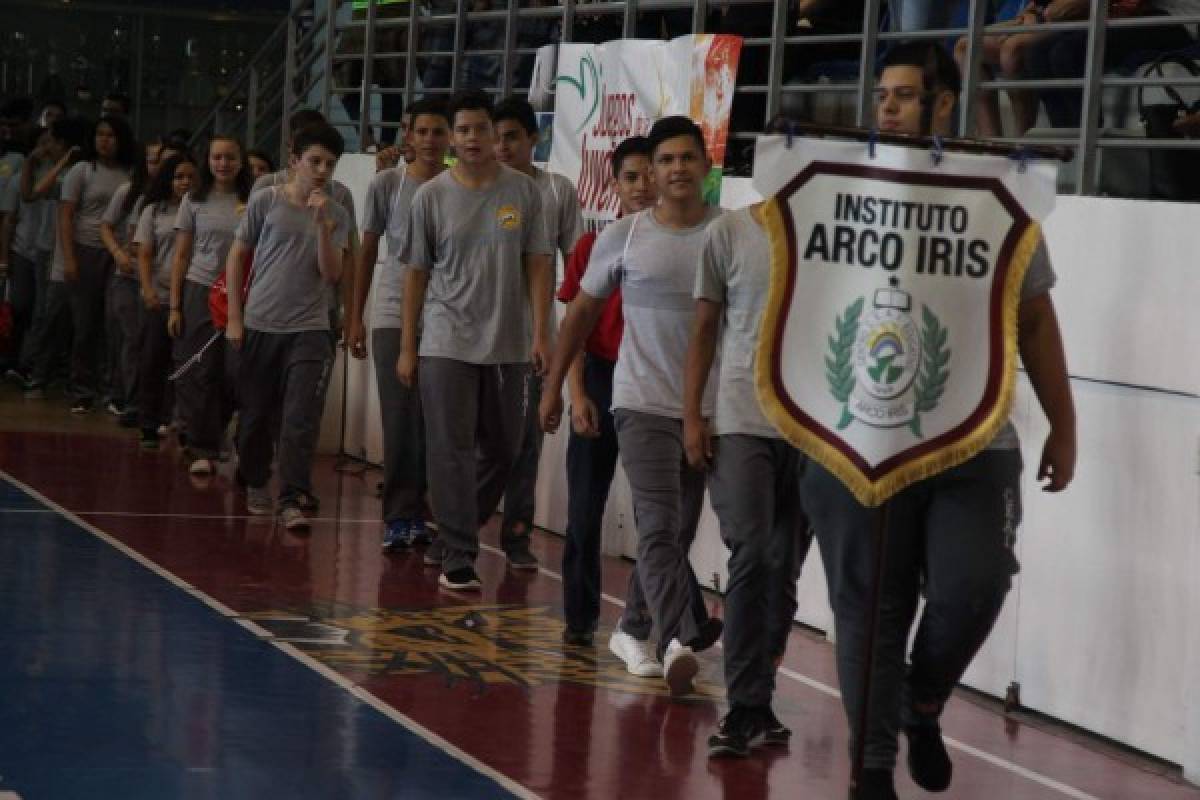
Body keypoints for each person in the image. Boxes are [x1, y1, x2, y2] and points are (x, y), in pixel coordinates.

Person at [812, 41, 1077, 800]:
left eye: (903, 94)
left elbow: (1034, 319)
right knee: (869, 604)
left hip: (976, 434)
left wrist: (1064, 422)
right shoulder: (831, 191)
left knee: (976, 587)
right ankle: (870, 773)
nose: (887, 106)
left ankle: (920, 702)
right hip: (860, 437)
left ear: (945, 104)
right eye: (881, 94)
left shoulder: (998, 198)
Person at [539, 116, 724, 697]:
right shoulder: (623, 237)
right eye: (664, 161)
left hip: (706, 408)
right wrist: (557, 390)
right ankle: (680, 638)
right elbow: (580, 317)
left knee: (679, 530)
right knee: (658, 525)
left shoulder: (729, 234)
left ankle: (634, 627)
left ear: (706, 166)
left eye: (685, 159)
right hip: (637, 399)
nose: (673, 170)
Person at [397, 90, 553, 591]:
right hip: (445, 339)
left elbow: (538, 264)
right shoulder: (431, 197)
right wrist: (407, 345)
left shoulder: (524, 193)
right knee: (450, 449)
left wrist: (542, 332)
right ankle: (459, 553)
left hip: (507, 342)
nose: (471, 139)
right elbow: (416, 275)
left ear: (492, 133)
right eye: (461, 130)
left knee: (506, 449)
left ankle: (453, 528)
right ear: (451, 137)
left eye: (479, 129)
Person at [683, 189, 815, 756]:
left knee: (784, 563)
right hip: (741, 419)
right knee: (754, 551)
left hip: (813, 429)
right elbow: (705, 328)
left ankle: (758, 694)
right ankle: (743, 706)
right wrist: (693, 415)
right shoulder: (729, 233)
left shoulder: (842, 237)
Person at [556, 136, 660, 673]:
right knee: (584, 509)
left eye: (650, 174)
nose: (643, 187)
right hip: (598, 377)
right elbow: (573, 326)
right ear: (614, 185)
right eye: (632, 177)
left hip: (653, 384)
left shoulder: (677, 245)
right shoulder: (590, 247)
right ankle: (578, 620)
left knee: (659, 515)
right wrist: (576, 394)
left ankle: (648, 625)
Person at [226, 123, 352, 529]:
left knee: (299, 417)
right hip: (261, 321)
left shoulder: (337, 213)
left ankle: (292, 497)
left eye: (329, 164)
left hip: (311, 327)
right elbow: (237, 256)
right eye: (314, 161)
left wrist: (322, 227)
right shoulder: (265, 201)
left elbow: (332, 274)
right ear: (295, 160)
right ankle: (255, 477)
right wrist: (234, 317)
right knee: (257, 415)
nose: (321, 170)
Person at [346, 98, 450, 551]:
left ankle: (425, 512)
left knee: (435, 422)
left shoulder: (457, 186)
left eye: (438, 131)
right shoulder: (387, 185)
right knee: (399, 417)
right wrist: (355, 316)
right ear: (408, 135)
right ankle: (398, 516)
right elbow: (367, 251)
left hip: (445, 318)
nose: (429, 140)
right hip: (391, 313)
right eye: (421, 131)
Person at [490, 96, 584, 569]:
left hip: (537, 340)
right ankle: (458, 527)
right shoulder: (479, 188)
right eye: (496, 136)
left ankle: (517, 536)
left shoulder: (558, 192)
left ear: (534, 138)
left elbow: (577, 272)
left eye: (512, 136)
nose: (502, 146)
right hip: (481, 340)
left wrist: (561, 347)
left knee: (527, 442)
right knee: (478, 441)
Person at [168, 136, 253, 475]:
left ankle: (223, 436)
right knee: (202, 371)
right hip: (201, 290)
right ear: (208, 161)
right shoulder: (193, 199)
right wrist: (175, 306)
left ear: (241, 160)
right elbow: (182, 254)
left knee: (235, 372)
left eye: (230, 157)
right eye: (217, 157)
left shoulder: (255, 199)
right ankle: (201, 447)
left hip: (243, 294)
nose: (223, 164)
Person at [99, 135, 185, 424]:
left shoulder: (188, 202)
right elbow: (110, 229)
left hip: (169, 286)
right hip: (131, 277)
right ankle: (132, 402)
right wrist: (119, 253)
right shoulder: (135, 194)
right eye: (155, 160)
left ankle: (164, 409)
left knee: (162, 348)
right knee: (135, 340)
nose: (161, 166)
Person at [57, 114, 137, 414]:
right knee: (85, 323)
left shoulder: (130, 172)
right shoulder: (82, 170)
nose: (104, 140)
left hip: (119, 252)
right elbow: (65, 215)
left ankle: (111, 389)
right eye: (100, 134)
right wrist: (68, 258)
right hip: (87, 248)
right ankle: (81, 388)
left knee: (113, 324)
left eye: (111, 135)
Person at [133, 153, 196, 449]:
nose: (185, 182)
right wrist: (146, 289)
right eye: (179, 177)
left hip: (192, 298)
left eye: (190, 177)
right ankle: (148, 423)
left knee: (187, 366)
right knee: (153, 362)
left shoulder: (201, 208)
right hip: (158, 297)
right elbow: (144, 254)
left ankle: (184, 425)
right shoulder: (153, 211)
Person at [22, 117, 88, 399]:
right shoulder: (56, 170)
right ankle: (37, 372)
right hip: (48, 247)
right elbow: (29, 194)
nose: (46, 146)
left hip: (67, 251)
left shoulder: (80, 172)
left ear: (63, 143)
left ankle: (52, 372)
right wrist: (32, 163)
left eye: (50, 140)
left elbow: (33, 193)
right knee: (46, 314)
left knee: (63, 316)